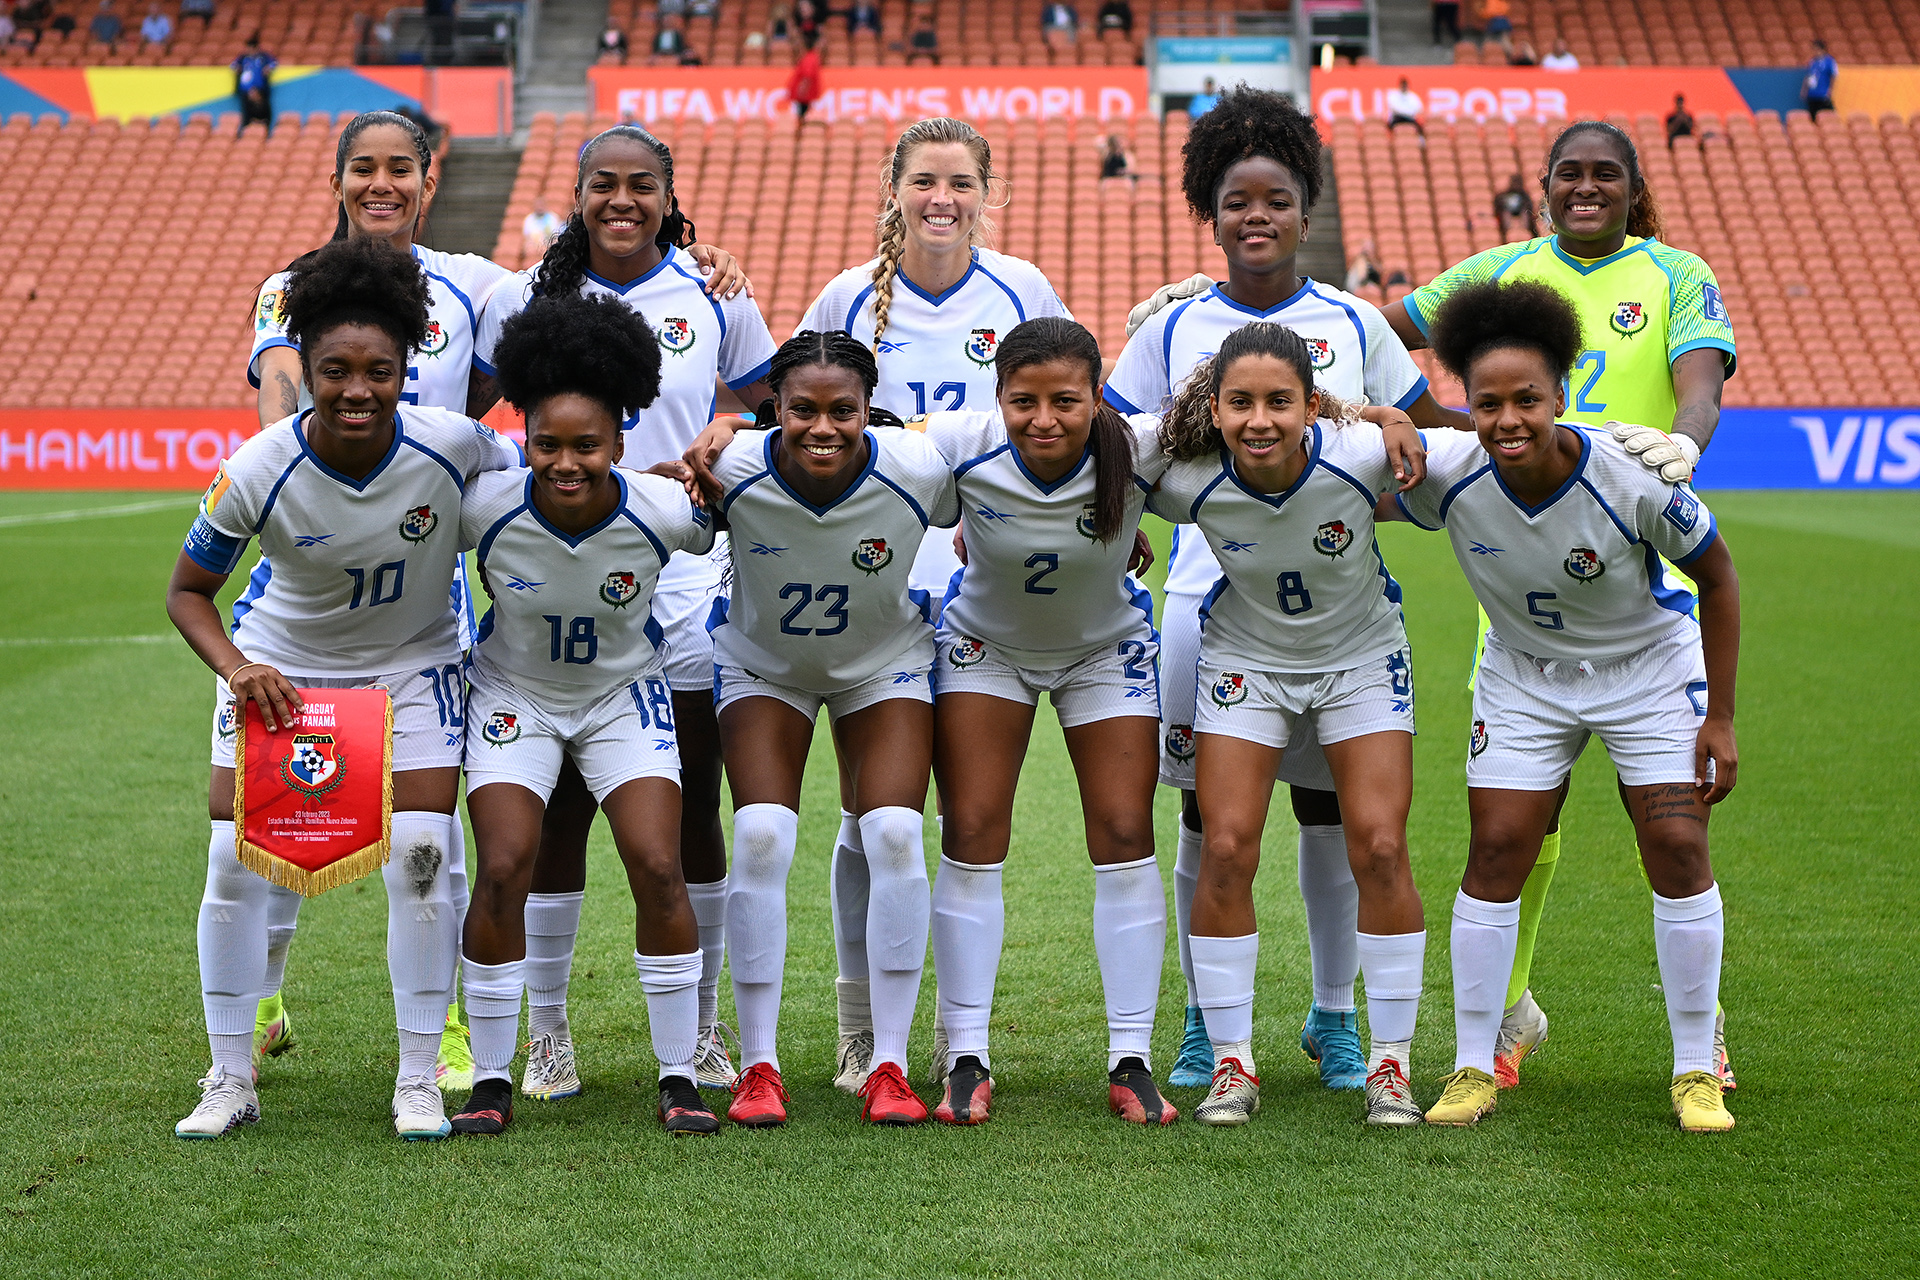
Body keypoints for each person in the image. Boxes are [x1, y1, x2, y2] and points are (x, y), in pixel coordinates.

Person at [245, 111, 750, 1095]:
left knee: (433, 837)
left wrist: (695, 254)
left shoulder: (476, 283)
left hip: (430, 588)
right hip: (316, 581)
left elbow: (557, 325)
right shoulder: (292, 284)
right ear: (337, 180)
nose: (382, 184)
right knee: (283, 817)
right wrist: (294, 472)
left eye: (401, 168)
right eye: (363, 168)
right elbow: (278, 385)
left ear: (429, 181)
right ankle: (259, 1005)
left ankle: (450, 1035)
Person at [1105, 86, 1454, 1099]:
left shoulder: (1352, 320)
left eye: (1276, 200)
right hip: (1206, 604)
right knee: (1204, 821)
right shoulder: (1172, 326)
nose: (1256, 217)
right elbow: (1116, 444)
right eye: (1235, 202)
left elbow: (1426, 446)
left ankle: (1335, 1017)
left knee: (1330, 810)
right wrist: (1121, 528)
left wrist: (1382, 443)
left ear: (1307, 211)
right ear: (1208, 215)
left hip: (1336, 611)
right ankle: (1204, 1019)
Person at [1380, 119, 1739, 1089]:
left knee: (1672, 831)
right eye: (1569, 174)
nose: (1587, 188)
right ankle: (1508, 1016)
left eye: (1605, 174)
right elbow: (1369, 334)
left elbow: (1699, 384)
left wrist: (1685, 445)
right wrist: (1248, 316)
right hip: (1519, 599)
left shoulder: (1676, 273)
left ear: (1631, 186)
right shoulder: (1500, 271)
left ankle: (1700, 1029)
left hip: (1639, 572)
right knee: (1519, 829)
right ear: (1542, 184)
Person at [167, 236, 517, 1141]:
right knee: (231, 860)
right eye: (335, 372)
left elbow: (539, 497)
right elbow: (188, 593)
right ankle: (229, 1076)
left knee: (424, 853)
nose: (357, 390)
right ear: (308, 369)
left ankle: (418, 1080)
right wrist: (239, 669)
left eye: (379, 372)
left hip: (413, 667)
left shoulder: (456, 445)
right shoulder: (258, 466)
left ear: (407, 370)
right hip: (282, 673)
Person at [472, 125, 775, 1101]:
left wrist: (730, 422)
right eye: (603, 183)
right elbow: (472, 406)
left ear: (668, 196)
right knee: (555, 811)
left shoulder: (713, 290)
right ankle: (547, 1034)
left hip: (683, 580)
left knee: (691, 811)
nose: (622, 200)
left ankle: (702, 1024)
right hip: (559, 581)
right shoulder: (528, 296)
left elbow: (776, 402)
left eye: (642, 185)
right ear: (578, 193)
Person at [796, 117, 1076, 1093]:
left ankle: (960, 1037)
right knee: (869, 814)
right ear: (896, 189)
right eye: (924, 181)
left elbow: (1072, 419)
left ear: (986, 192)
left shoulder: (1023, 291)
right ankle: (859, 1028)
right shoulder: (846, 299)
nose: (941, 199)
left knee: (956, 818)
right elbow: (797, 429)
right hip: (870, 588)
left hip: (983, 593)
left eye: (960, 182)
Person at [449, 293, 721, 1138]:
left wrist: (710, 456)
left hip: (621, 697)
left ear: (620, 443)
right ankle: (491, 1079)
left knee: (659, 864)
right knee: (503, 866)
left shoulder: (662, 508)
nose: (566, 463)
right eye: (547, 445)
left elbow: (732, 517)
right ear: (524, 439)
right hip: (514, 697)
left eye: (587, 446)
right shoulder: (484, 507)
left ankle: (679, 1074)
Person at [1148, 324, 1430, 1128]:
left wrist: (1389, 416)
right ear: (1214, 408)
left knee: (1380, 845)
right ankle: (1232, 1063)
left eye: (1280, 402)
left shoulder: (1363, 453)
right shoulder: (1186, 475)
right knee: (1226, 845)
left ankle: (1391, 1064)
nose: (1259, 420)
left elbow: (1488, 452)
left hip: (1360, 657)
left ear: (1312, 405)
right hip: (1247, 659)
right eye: (1240, 403)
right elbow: (1088, 453)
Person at [693, 331, 959, 1127]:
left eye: (842, 410)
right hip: (764, 666)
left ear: (869, 408)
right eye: (801, 409)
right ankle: (759, 1066)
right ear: (772, 408)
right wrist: (718, 435)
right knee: (761, 836)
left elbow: (998, 482)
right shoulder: (732, 467)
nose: (822, 428)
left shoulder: (917, 467)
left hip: (883, 662)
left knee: (895, 836)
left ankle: (888, 1064)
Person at [919, 318, 1175, 1125]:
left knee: (1125, 829)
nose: (1043, 419)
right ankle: (966, 1057)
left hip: (1105, 650)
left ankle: (1131, 1059)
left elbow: (1246, 413)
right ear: (998, 397)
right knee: (971, 827)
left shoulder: (1141, 445)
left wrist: (1379, 416)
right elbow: (859, 440)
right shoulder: (959, 441)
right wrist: (731, 430)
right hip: (986, 648)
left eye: (1065, 400)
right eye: (1023, 401)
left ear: (1098, 397)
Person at [232, 33, 276, 136]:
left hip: (260, 88)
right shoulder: (243, 58)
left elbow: (274, 63)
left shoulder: (263, 57)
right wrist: (238, 69)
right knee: (246, 109)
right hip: (245, 90)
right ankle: (244, 128)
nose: (249, 50)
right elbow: (233, 65)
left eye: (251, 48)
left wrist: (268, 69)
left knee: (264, 108)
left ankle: (267, 129)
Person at [1493, 172, 1535, 240]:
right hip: (1508, 213)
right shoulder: (1504, 195)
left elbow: (1529, 207)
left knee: (1525, 213)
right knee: (1505, 213)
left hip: (1521, 213)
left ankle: (1524, 230)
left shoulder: (1524, 196)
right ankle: (1507, 231)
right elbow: (1498, 206)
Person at [1803, 40, 1837, 117]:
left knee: (1827, 115)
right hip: (1812, 94)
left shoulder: (1829, 61)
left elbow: (1833, 76)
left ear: (1822, 49)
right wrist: (1805, 89)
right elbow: (1808, 76)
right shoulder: (1812, 61)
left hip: (1823, 94)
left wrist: (1830, 90)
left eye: (1816, 49)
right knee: (1813, 116)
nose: (1814, 52)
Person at [787, 43, 822, 119]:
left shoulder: (809, 58)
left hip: (804, 95)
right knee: (803, 113)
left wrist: (802, 89)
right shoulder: (812, 57)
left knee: (802, 114)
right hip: (806, 94)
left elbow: (808, 75)